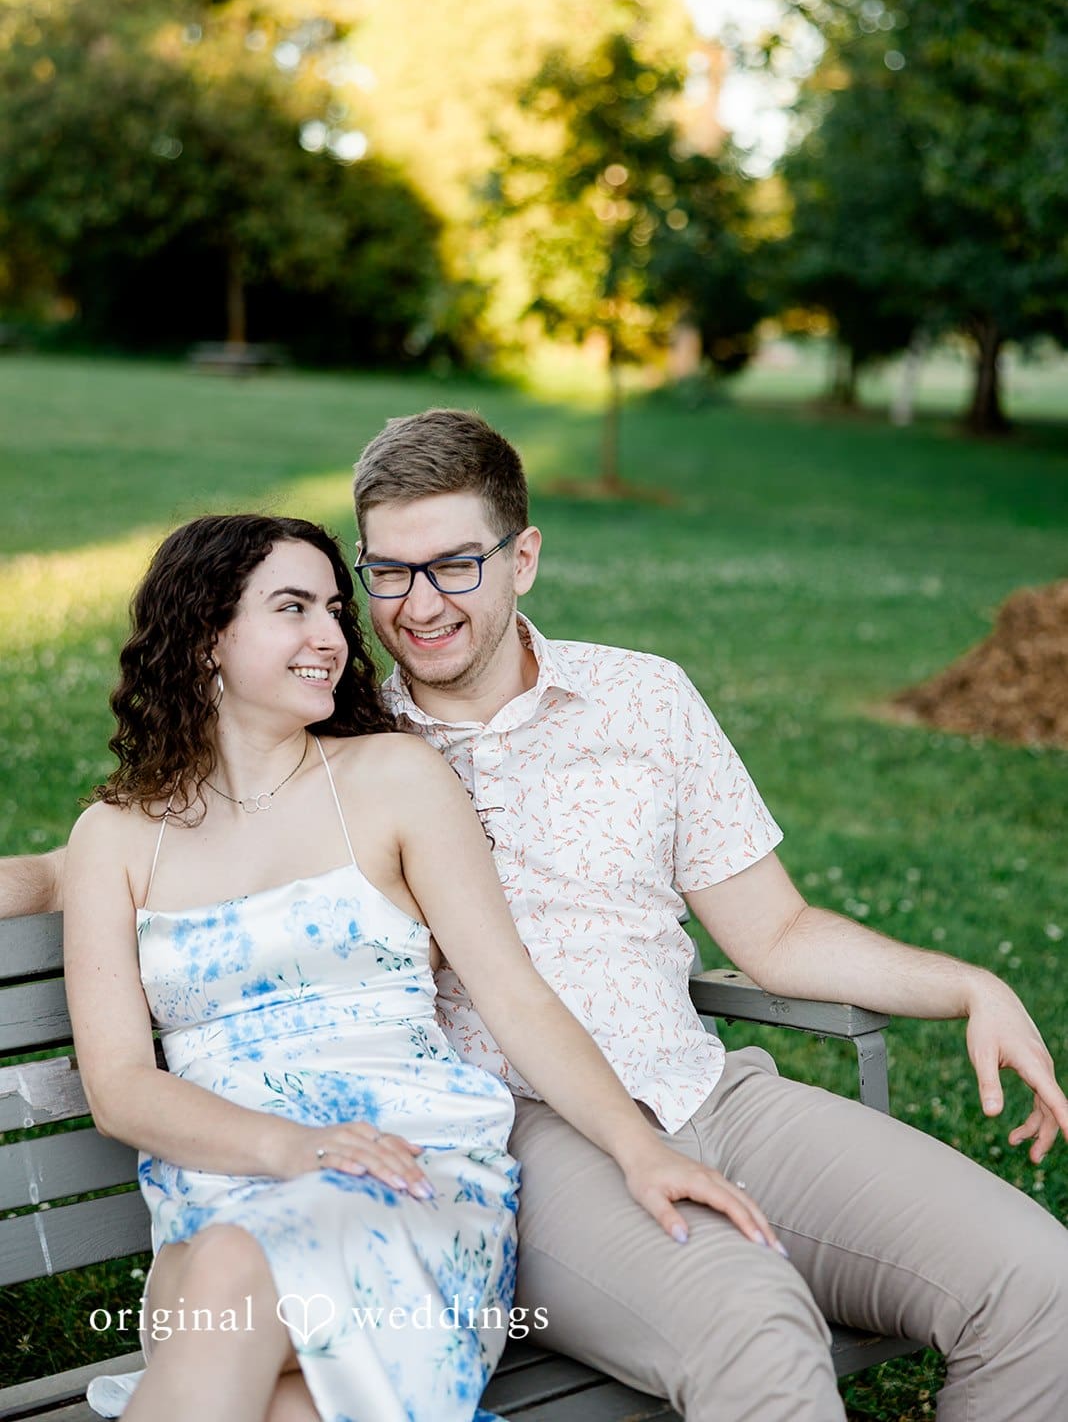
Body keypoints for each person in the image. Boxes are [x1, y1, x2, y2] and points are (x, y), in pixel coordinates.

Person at [6, 413, 1068, 1419]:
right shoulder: (357, 743)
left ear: (523, 558)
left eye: (453, 565)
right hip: (516, 1132)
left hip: (701, 1085)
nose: (412, 607)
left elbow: (776, 933)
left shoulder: (639, 700)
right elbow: (178, 843)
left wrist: (967, 982)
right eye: (384, 574)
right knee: (752, 1322)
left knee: (1037, 1279)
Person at [59, 512, 773, 1422]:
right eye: (291, 609)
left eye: (331, 608)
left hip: (408, 1174)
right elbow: (119, 1087)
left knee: (236, 1286)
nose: (330, 636)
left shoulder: (392, 779)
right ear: (205, 637)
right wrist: (291, 1148)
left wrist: (638, 1149)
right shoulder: (115, 838)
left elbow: (512, 994)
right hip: (220, 1181)